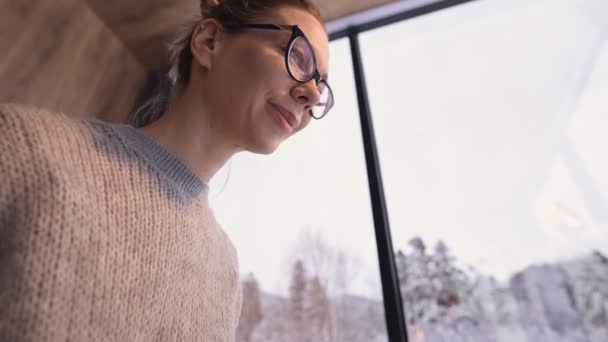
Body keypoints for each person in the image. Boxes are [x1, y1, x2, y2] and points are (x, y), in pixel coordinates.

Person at [0, 0, 333, 340]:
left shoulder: (224, 273)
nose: (311, 94)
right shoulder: (21, 148)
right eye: (297, 57)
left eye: (320, 87)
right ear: (209, 42)